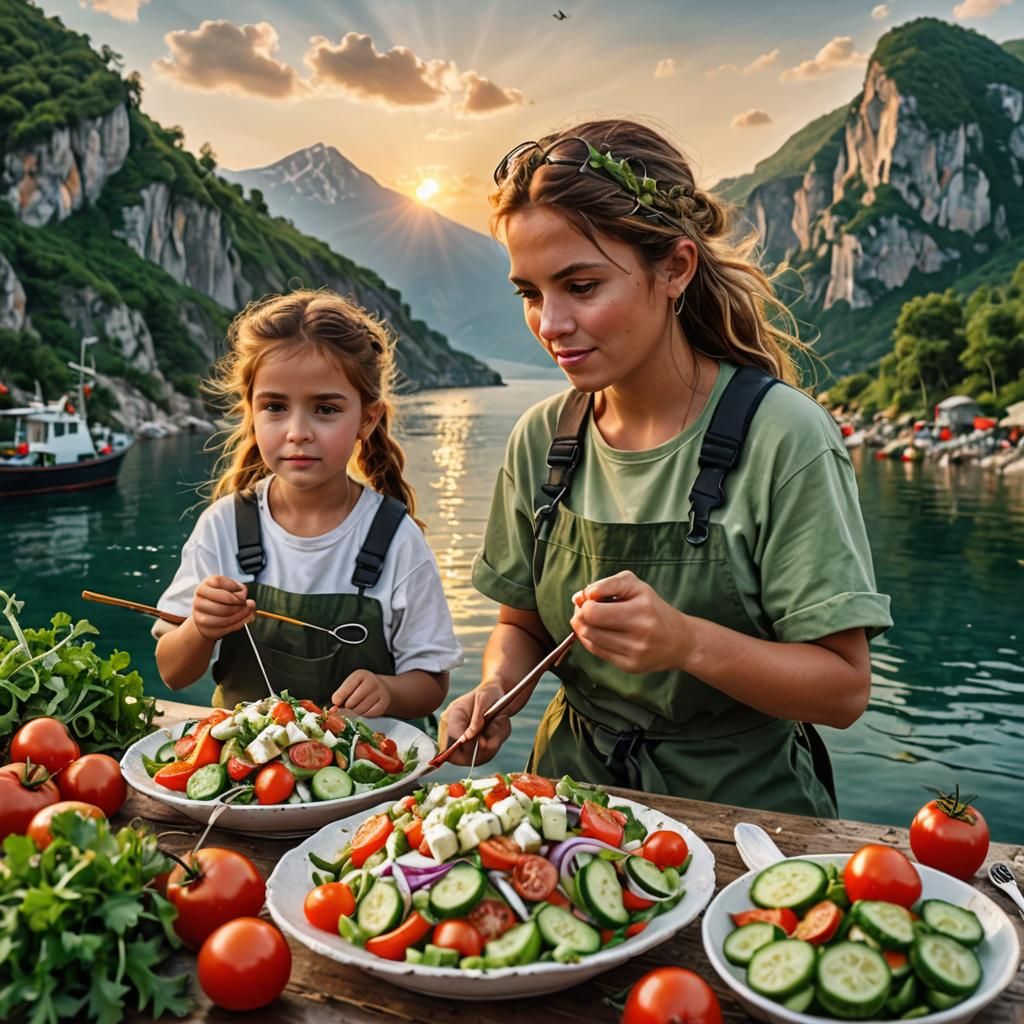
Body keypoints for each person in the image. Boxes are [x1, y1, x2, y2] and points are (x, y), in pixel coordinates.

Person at [439, 120, 892, 816]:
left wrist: (686, 642)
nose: (550, 323)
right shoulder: (541, 439)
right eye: (529, 293)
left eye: (581, 285)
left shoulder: (785, 437)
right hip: (569, 809)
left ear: (675, 268)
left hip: (747, 820)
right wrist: (499, 687)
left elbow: (843, 690)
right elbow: (521, 625)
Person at [153, 290, 462, 722]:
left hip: (366, 761)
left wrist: (389, 691)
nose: (298, 431)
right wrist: (200, 628)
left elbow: (431, 684)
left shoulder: (397, 539)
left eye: (325, 409)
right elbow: (173, 672)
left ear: (367, 419)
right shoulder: (223, 526)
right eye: (275, 407)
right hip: (245, 762)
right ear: (252, 412)